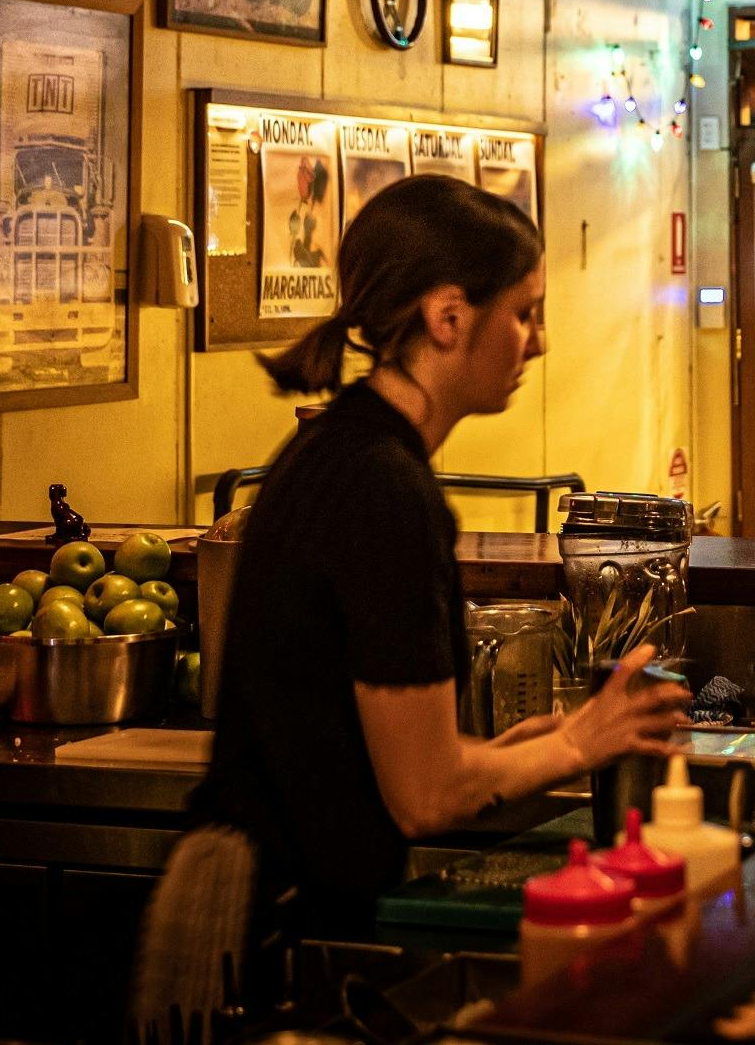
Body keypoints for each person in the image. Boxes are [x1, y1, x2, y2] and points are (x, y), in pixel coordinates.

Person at [151, 176, 689, 1023]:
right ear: (448, 317)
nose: (538, 342)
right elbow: (425, 794)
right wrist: (579, 743)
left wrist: (509, 752)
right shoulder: (385, 490)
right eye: (525, 313)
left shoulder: (338, 448)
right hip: (280, 922)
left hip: (264, 889)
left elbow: (366, 751)